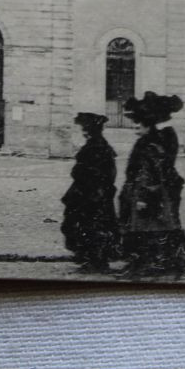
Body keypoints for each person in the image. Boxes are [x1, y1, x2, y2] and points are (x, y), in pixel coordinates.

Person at [117, 91, 185, 277]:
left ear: (149, 124)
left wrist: (145, 195)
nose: (135, 127)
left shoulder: (154, 142)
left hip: (153, 191)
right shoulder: (157, 138)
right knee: (156, 226)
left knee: (150, 228)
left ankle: (152, 262)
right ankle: (161, 260)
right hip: (153, 190)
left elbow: (150, 172)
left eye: (139, 123)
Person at [61, 112, 122, 272]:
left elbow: (97, 172)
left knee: (92, 227)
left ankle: (96, 261)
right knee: (87, 226)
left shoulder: (96, 147)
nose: (83, 132)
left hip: (92, 195)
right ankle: (90, 258)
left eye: (85, 129)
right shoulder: (99, 145)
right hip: (91, 193)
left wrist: (94, 186)